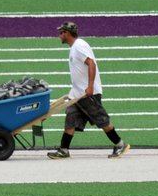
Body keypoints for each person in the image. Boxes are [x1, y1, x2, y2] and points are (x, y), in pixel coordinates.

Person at [47, 22, 130, 159]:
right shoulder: (74, 48)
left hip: (88, 93)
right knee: (70, 119)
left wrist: (90, 86)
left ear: (67, 33)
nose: (59, 35)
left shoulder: (79, 45)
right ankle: (64, 150)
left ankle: (120, 144)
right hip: (78, 94)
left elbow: (91, 63)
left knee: (102, 120)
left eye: (61, 32)